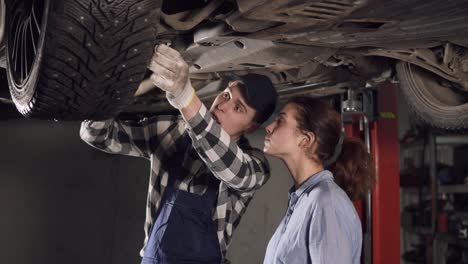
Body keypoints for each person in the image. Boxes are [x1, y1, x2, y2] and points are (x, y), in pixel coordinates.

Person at [80, 44, 278, 263]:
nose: (223, 105)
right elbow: (98, 135)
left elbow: (232, 168)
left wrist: (185, 97)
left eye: (238, 108)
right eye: (226, 94)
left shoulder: (255, 165)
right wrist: (116, 89)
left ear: (251, 127)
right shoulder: (172, 130)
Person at [262, 96, 376, 264]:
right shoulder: (304, 200)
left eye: (280, 121)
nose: (269, 128)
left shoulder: (325, 202)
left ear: (305, 140)